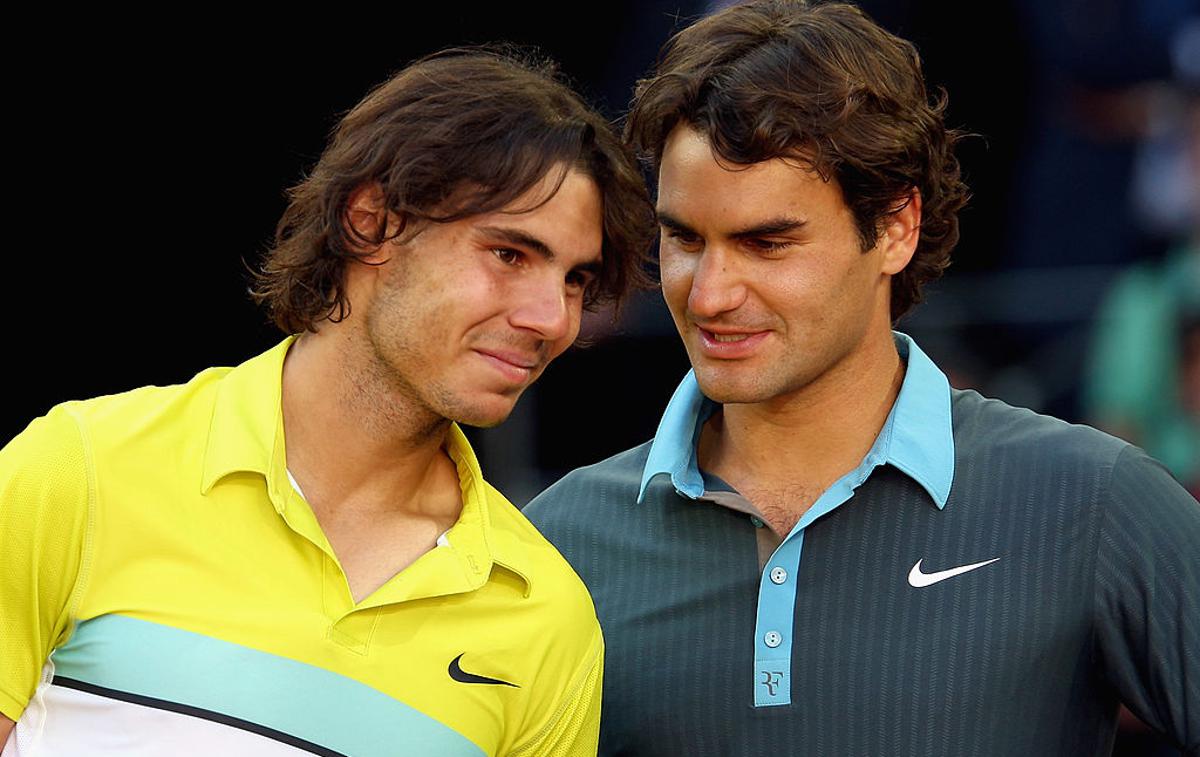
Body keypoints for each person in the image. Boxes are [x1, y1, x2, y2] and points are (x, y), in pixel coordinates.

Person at [523, 3, 1200, 755]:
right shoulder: (558, 542)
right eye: (684, 237)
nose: (709, 293)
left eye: (767, 242)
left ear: (896, 228)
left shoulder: (1094, 500)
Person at [0, 48, 654, 756]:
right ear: (371, 223)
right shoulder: (83, 468)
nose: (552, 318)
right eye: (509, 254)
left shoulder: (546, 616)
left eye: (575, 279)